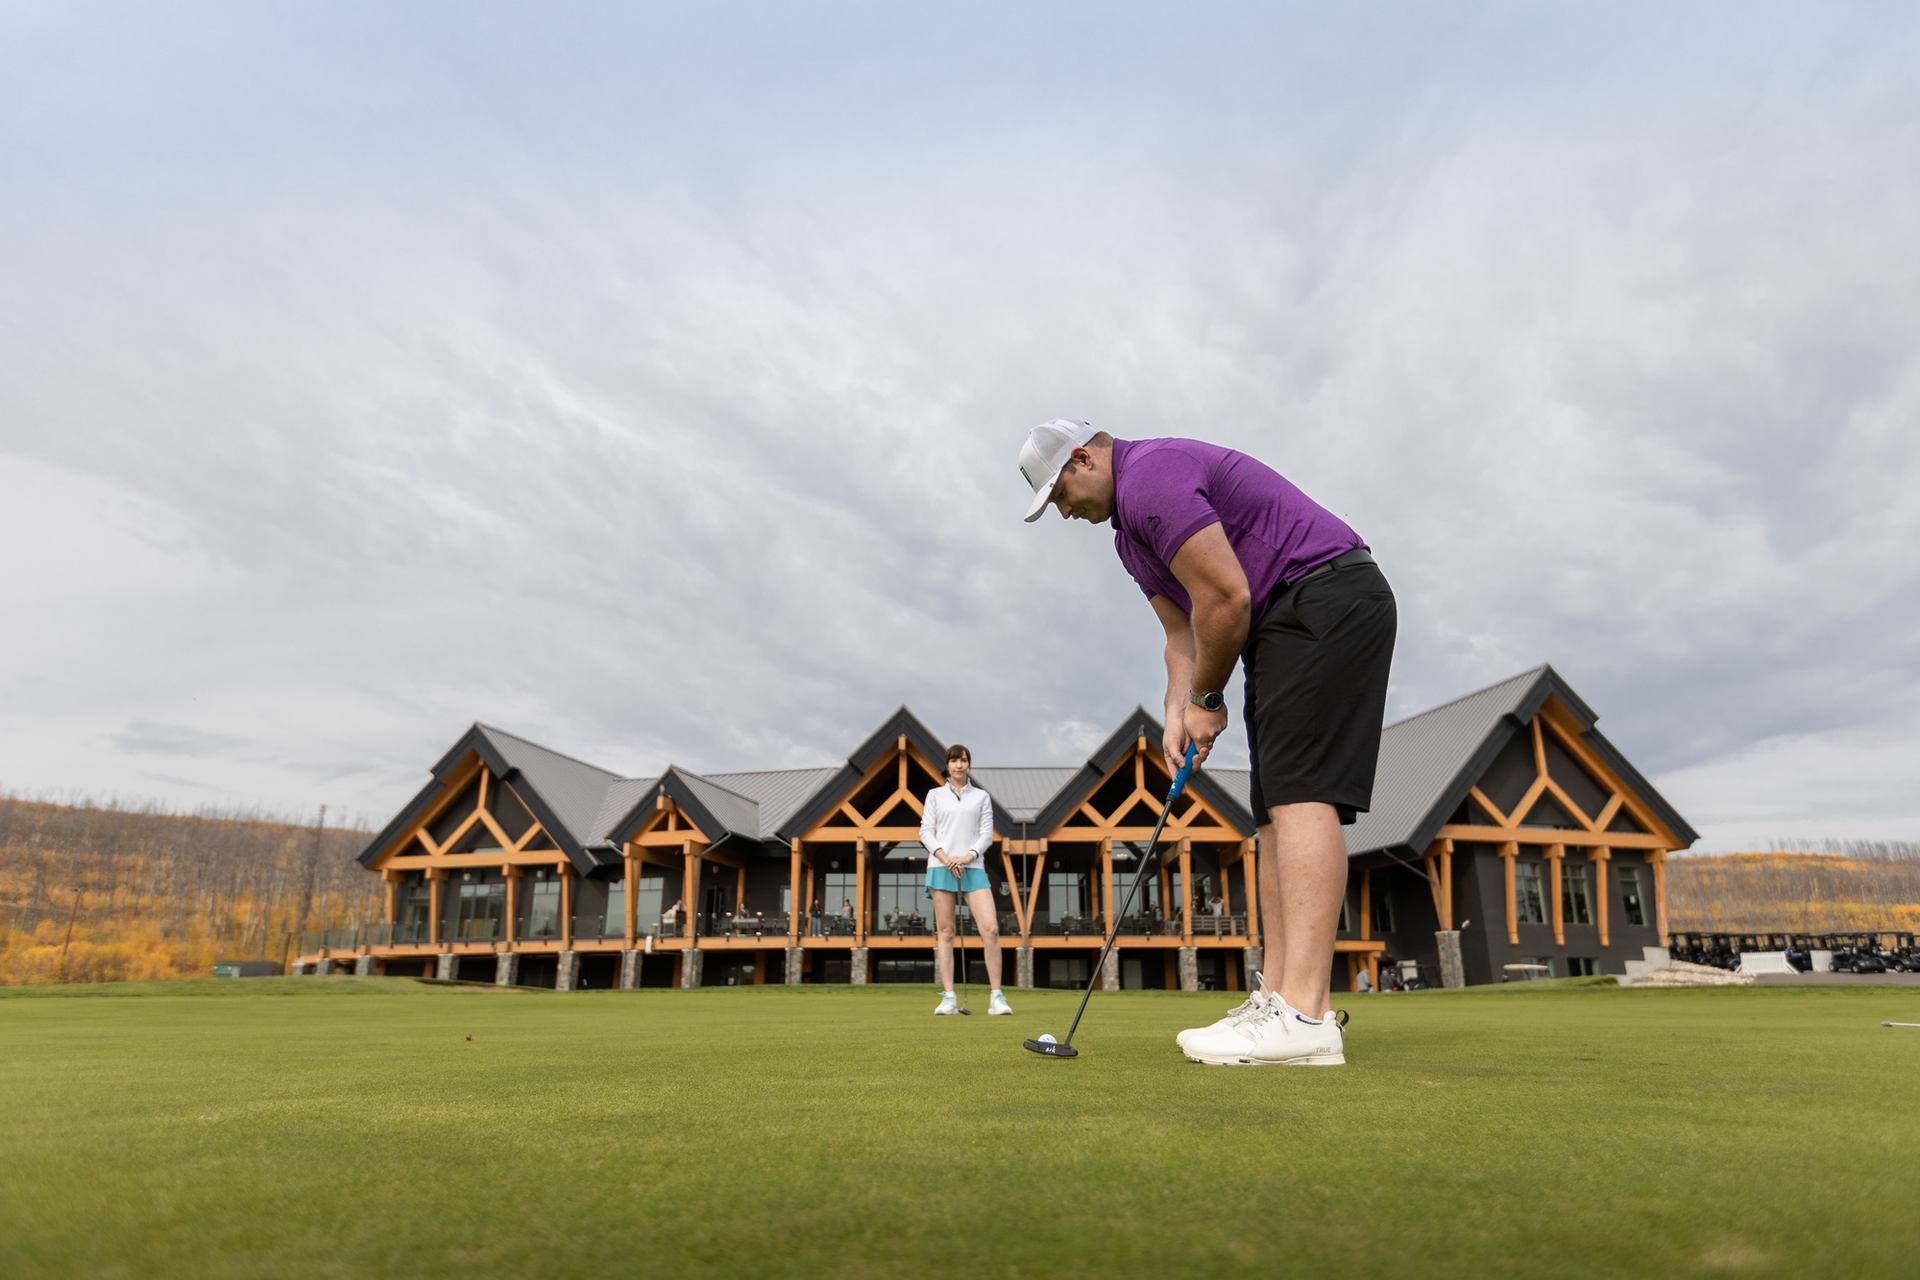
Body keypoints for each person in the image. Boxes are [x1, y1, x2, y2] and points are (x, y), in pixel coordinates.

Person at [1018, 419, 1396, 1067]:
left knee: (1303, 793)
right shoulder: (1130, 540)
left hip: (1326, 595)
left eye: (1059, 494)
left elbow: (1226, 595)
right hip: (1281, 621)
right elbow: (1183, 637)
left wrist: (1207, 700)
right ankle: (1282, 999)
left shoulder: (1152, 478)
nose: (1064, 511)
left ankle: (1304, 1016)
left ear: (1084, 458)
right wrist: (1176, 712)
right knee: (1274, 810)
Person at [919, 743, 1012, 1016]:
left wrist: (967, 856)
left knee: (990, 929)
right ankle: (948, 997)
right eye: (954, 760)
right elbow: (925, 832)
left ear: (969, 764)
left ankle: (997, 997)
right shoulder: (934, 795)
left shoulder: (981, 797)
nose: (959, 765)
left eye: (963, 760)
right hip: (941, 865)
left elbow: (986, 835)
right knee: (946, 933)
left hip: (973, 867)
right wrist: (946, 857)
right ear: (947, 765)